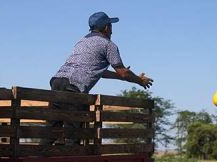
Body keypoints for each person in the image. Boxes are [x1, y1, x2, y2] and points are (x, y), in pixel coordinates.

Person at [47, 11, 154, 145]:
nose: (112, 30)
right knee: (73, 134)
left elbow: (99, 72)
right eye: (110, 26)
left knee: (51, 130)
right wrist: (139, 80)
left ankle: (37, 157)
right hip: (73, 86)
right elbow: (123, 72)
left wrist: (122, 76)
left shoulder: (82, 41)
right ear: (106, 28)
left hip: (57, 81)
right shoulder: (108, 45)